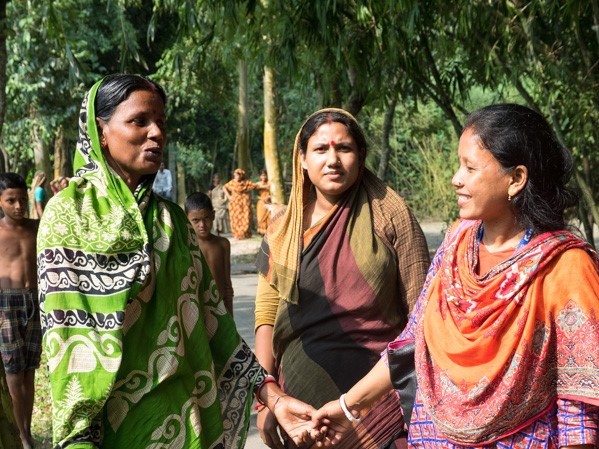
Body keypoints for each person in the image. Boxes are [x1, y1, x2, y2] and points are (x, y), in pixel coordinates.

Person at [37, 74, 323, 448]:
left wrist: (274, 397)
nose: (156, 133)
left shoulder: (172, 222)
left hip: (185, 422)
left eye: (161, 123)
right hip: (112, 432)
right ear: (101, 131)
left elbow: (212, 323)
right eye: (139, 121)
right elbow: (68, 342)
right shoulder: (69, 216)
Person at [313, 104, 599, 448]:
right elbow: (412, 340)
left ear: (516, 179)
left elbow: (580, 405)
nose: (455, 178)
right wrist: (350, 406)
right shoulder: (456, 244)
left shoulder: (564, 266)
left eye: (470, 167)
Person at [254, 108, 431, 449]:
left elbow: (422, 315)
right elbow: (266, 316)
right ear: (302, 158)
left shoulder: (390, 215)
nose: (333, 160)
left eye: (344, 149)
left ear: (361, 155)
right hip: (303, 407)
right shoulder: (282, 229)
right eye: (321, 150)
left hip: (382, 403)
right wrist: (266, 398)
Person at [0, 173, 41, 449]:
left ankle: (26, 427)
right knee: (13, 372)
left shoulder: (36, 228)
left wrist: (40, 197)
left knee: (30, 371)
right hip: (6, 304)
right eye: (11, 200)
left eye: (22, 200)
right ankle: (22, 435)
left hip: (35, 301)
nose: (18, 206)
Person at [185, 191, 234, 315]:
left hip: (220, 308)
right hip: (196, 310)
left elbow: (227, 283)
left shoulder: (223, 244)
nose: (202, 225)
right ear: (186, 220)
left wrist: (230, 315)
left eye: (206, 218)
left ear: (213, 215)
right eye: (195, 220)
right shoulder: (185, 246)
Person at [224, 168, 256, 239]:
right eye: (235, 175)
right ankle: (237, 234)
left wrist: (246, 190)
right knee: (235, 218)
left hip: (244, 203)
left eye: (237, 175)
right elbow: (224, 187)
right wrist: (229, 197)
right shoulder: (232, 182)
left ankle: (244, 233)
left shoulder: (246, 182)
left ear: (241, 175)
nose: (236, 177)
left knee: (246, 217)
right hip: (235, 204)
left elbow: (254, 186)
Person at [255, 169, 271, 235]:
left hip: (268, 201)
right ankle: (262, 232)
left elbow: (273, 192)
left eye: (265, 175)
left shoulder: (270, 183)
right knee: (260, 217)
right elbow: (255, 195)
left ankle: (268, 231)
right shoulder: (257, 184)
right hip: (261, 202)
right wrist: (262, 198)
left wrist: (268, 197)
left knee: (269, 216)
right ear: (260, 176)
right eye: (262, 176)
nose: (263, 177)